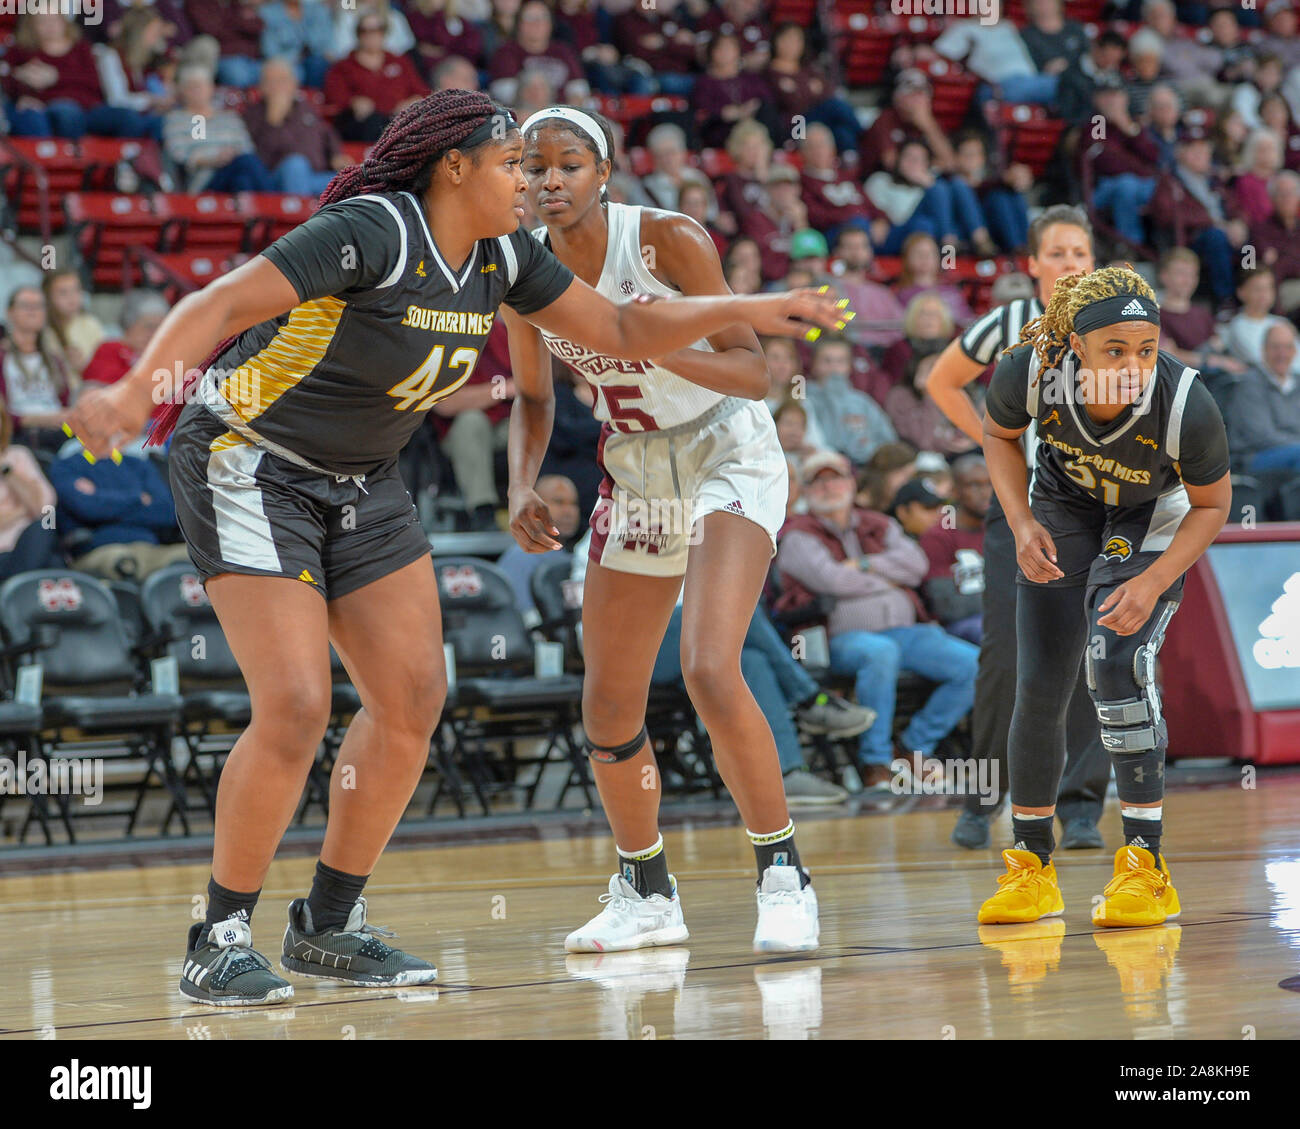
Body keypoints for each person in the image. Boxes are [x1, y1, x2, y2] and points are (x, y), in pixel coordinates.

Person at [66, 89, 844, 1006]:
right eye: (516, 163)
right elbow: (221, 298)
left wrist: (761, 303)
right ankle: (218, 933)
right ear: (457, 166)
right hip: (250, 460)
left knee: (412, 698)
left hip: (365, 479)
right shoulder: (372, 230)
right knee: (297, 702)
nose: (531, 182)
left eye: (544, 167)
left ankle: (328, 922)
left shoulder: (509, 259)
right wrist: (133, 398)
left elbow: (625, 329)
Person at [504, 105, 843, 955]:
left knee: (707, 663)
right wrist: (518, 482)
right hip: (640, 465)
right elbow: (536, 395)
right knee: (609, 703)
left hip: (727, 444)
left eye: (569, 164)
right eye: (534, 165)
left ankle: (783, 873)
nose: (550, 179)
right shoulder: (521, 268)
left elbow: (751, 369)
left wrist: (652, 344)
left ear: (605, 171)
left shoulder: (666, 240)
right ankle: (645, 890)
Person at [978, 266, 1231, 928]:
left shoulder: (1184, 403)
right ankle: (1030, 865)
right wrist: (1020, 520)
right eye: (1115, 350)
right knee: (1040, 680)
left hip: (1152, 515)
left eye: (1145, 349)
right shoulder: (1031, 368)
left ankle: (1146, 865)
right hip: (1065, 504)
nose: (1133, 364)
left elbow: (1213, 504)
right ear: (1074, 347)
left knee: (1116, 662)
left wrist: (1151, 580)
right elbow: (999, 436)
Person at [925, 204, 1109, 851]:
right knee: (1006, 658)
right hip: (1020, 511)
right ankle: (982, 799)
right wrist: (991, 436)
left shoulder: (1113, 327)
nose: (1069, 265)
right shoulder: (1007, 324)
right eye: (1056, 253)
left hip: (1095, 511)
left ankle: (1081, 805)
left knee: (1094, 654)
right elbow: (941, 379)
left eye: (1079, 253)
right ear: (1031, 265)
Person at [774, 451, 979, 790]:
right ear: (806, 490)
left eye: (835, 477)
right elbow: (833, 581)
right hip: (834, 639)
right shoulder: (798, 535)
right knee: (879, 652)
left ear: (851, 482)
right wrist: (888, 578)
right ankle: (876, 763)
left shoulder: (879, 523)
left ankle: (913, 746)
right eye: (818, 481)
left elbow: (915, 565)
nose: (828, 487)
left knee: (972, 663)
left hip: (903, 631)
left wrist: (864, 566)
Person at [48, 440, 190, 581]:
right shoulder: (65, 467)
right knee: (123, 562)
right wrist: (138, 499)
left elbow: (167, 513)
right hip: (100, 549)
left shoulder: (139, 465)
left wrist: (100, 497)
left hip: (150, 547)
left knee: (197, 558)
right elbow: (88, 509)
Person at [244, 57, 350, 197]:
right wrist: (273, 122)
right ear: (261, 87)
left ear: (294, 84)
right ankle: (303, 217)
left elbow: (327, 133)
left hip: (316, 176)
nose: (277, 87)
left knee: (352, 180)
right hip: (277, 181)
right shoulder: (253, 114)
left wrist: (336, 155)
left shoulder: (305, 108)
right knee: (296, 165)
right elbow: (259, 159)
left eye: (282, 80)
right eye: (270, 82)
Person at [162, 64, 276, 192]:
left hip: (235, 170)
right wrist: (214, 159)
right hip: (205, 180)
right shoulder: (177, 119)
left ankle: (264, 209)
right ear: (182, 92)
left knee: (243, 180)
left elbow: (247, 147)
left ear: (211, 88)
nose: (197, 91)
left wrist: (231, 155)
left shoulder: (229, 118)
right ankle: (275, 202)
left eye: (201, 86)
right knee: (246, 163)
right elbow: (179, 156)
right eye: (192, 87)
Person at [323, 9, 429, 143]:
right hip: (363, 124)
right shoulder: (343, 66)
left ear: (384, 33)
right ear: (358, 34)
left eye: (377, 29)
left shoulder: (400, 61)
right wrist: (352, 102)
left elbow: (422, 91)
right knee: (374, 122)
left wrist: (413, 101)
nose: (371, 35)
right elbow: (334, 97)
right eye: (365, 30)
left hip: (399, 119)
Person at [920, 452, 989, 645]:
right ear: (954, 491)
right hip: (958, 627)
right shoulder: (939, 536)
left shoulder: (1002, 530)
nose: (985, 492)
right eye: (974, 485)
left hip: (996, 616)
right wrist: (1003, 599)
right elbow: (946, 607)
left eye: (989, 484)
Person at [0, 286, 72, 455]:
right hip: (18, 434)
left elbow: (64, 401)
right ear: (10, 312)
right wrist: (37, 419)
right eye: (26, 305)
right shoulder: (3, 358)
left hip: (58, 430)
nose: (33, 311)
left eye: (39, 306)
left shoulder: (54, 360)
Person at [497, 472, 580, 618]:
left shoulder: (577, 553)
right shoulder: (522, 556)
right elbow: (522, 620)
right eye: (559, 502)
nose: (569, 512)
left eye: (573, 504)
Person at [1227, 320, 1300, 472]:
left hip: (1292, 451)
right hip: (1254, 457)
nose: (1282, 354)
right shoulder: (1250, 383)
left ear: (1295, 351)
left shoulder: (1297, 382)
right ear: (1263, 350)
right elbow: (1261, 436)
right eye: (1275, 347)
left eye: (1288, 347)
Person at [0, 406, 62, 580]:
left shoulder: (18, 455)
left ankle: (16, 590)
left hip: (32, 543)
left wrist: (7, 471)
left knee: (45, 526)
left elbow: (45, 507)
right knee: (52, 562)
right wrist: (22, 512)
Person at [80, 290, 171, 391]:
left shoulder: (163, 355)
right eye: (149, 327)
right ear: (129, 324)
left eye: (161, 328)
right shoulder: (109, 350)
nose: (155, 334)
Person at [40, 269, 105, 385]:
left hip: (90, 390)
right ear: (48, 297)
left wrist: (84, 366)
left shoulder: (91, 324)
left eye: (76, 290)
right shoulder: (43, 330)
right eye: (63, 292)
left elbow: (105, 364)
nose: (72, 297)